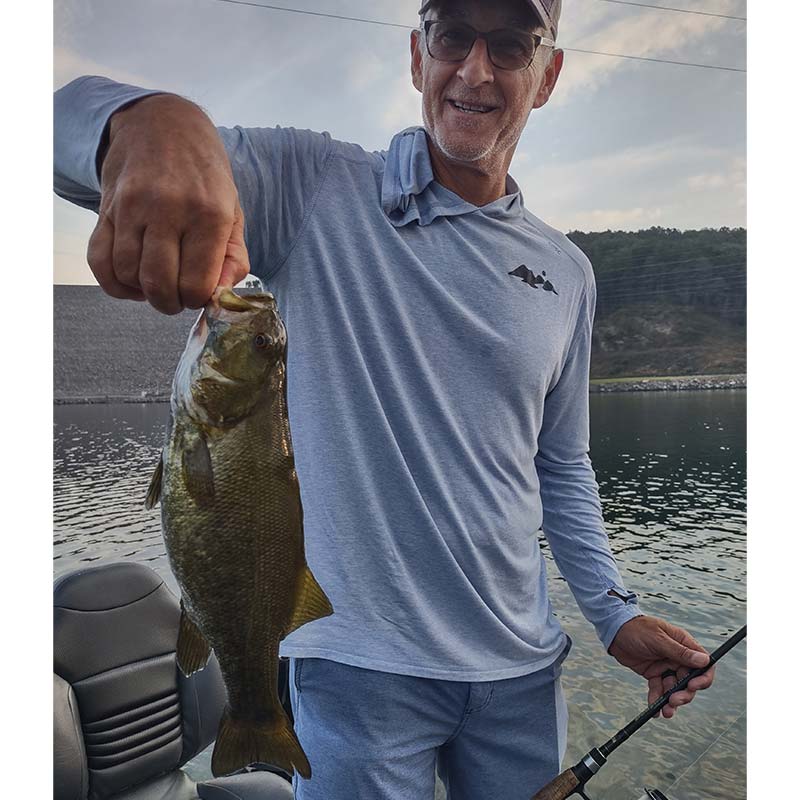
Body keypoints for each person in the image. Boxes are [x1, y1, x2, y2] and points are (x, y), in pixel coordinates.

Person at [53, 0, 716, 797]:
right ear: (415, 56)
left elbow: (561, 465)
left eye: (510, 44)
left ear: (548, 76)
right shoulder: (313, 188)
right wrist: (147, 123)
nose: (475, 68)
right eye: (452, 37)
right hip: (354, 667)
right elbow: (53, 129)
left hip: (521, 670)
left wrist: (613, 613)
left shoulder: (567, 273)